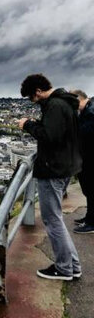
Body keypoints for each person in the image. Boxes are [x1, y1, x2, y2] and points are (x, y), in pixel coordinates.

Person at [18, 73, 82, 280]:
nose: (33, 102)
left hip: (53, 169)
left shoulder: (55, 106)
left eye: (32, 98)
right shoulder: (66, 103)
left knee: (52, 220)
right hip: (64, 167)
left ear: (38, 91)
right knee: (57, 220)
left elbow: (49, 137)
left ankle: (64, 268)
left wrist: (28, 125)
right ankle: (72, 265)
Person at [70, 89, 94, 233]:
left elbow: (84, 135)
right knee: (89, 191)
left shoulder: (90, 114)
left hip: (90, 160)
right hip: (87, 159)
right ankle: (89, 217)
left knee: (92, 191)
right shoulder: (86, 111)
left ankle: (92, 223)